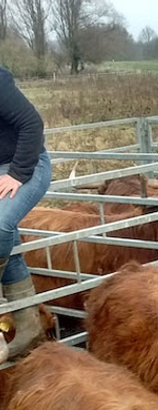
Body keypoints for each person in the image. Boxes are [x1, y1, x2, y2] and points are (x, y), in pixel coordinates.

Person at [0, 65, 51, 359]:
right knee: (9, 243)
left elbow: (32, 124)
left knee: (1, 226)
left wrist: (18, 173)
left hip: (27, 164)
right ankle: (28, 325)